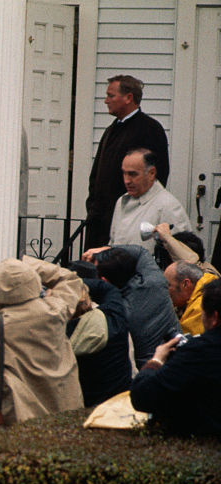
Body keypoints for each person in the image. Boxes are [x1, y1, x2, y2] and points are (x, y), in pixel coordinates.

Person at [0, 257, 85, 425]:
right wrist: (30, 265)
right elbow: (69, 279)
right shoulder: (55, 310)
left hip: (19, 413)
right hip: (62, 404)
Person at [85, 75, 170, 249]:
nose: (106, 101)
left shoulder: (149, 129)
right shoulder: (111, 130)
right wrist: (93, 207)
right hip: (100, 221)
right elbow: (97, 175)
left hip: (129, 223)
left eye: (111, 96)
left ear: (128, 98)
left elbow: (158, 176)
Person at [130, 279, 221, 435]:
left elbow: (144, 396)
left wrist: (156, 361)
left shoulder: (201, 352)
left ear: (214, 317)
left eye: (202, 312)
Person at [84, 244, 179, 368]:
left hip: (150, 369)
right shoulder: (155, 281)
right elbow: (140, 251)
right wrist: (105, 249)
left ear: (104, 281)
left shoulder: (119, 313)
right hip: (179, 355)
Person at [66, 261, 132, 406]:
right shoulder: (114, 317)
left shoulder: (58, 336)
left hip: (83, 407)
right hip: (119, 403)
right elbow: (107, 289)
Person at [104, 149, 191, 252]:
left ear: (151, 173)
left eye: (133, 174)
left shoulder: (168, 206)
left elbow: (184, 255)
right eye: (124, 173)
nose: (127, 180)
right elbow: (113, 242)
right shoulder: (122, 202)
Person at [165, 260, 218, 336]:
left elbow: (186, 343)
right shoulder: (210, 285)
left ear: (186, 284)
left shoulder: (201, 306)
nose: (165, 290)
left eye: (168, 285)